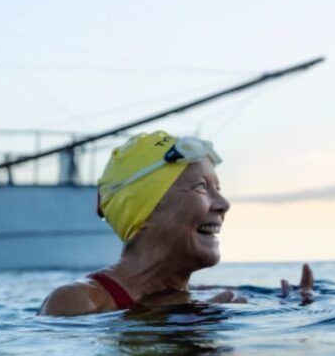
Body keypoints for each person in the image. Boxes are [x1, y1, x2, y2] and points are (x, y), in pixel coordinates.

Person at [41, 131, 314, 316]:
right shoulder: (78, 301)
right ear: (144, 212)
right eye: (201, 187)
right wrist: (186, 323)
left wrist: (293, 306)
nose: (223, 203)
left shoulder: (202, 294)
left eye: (218, 188)